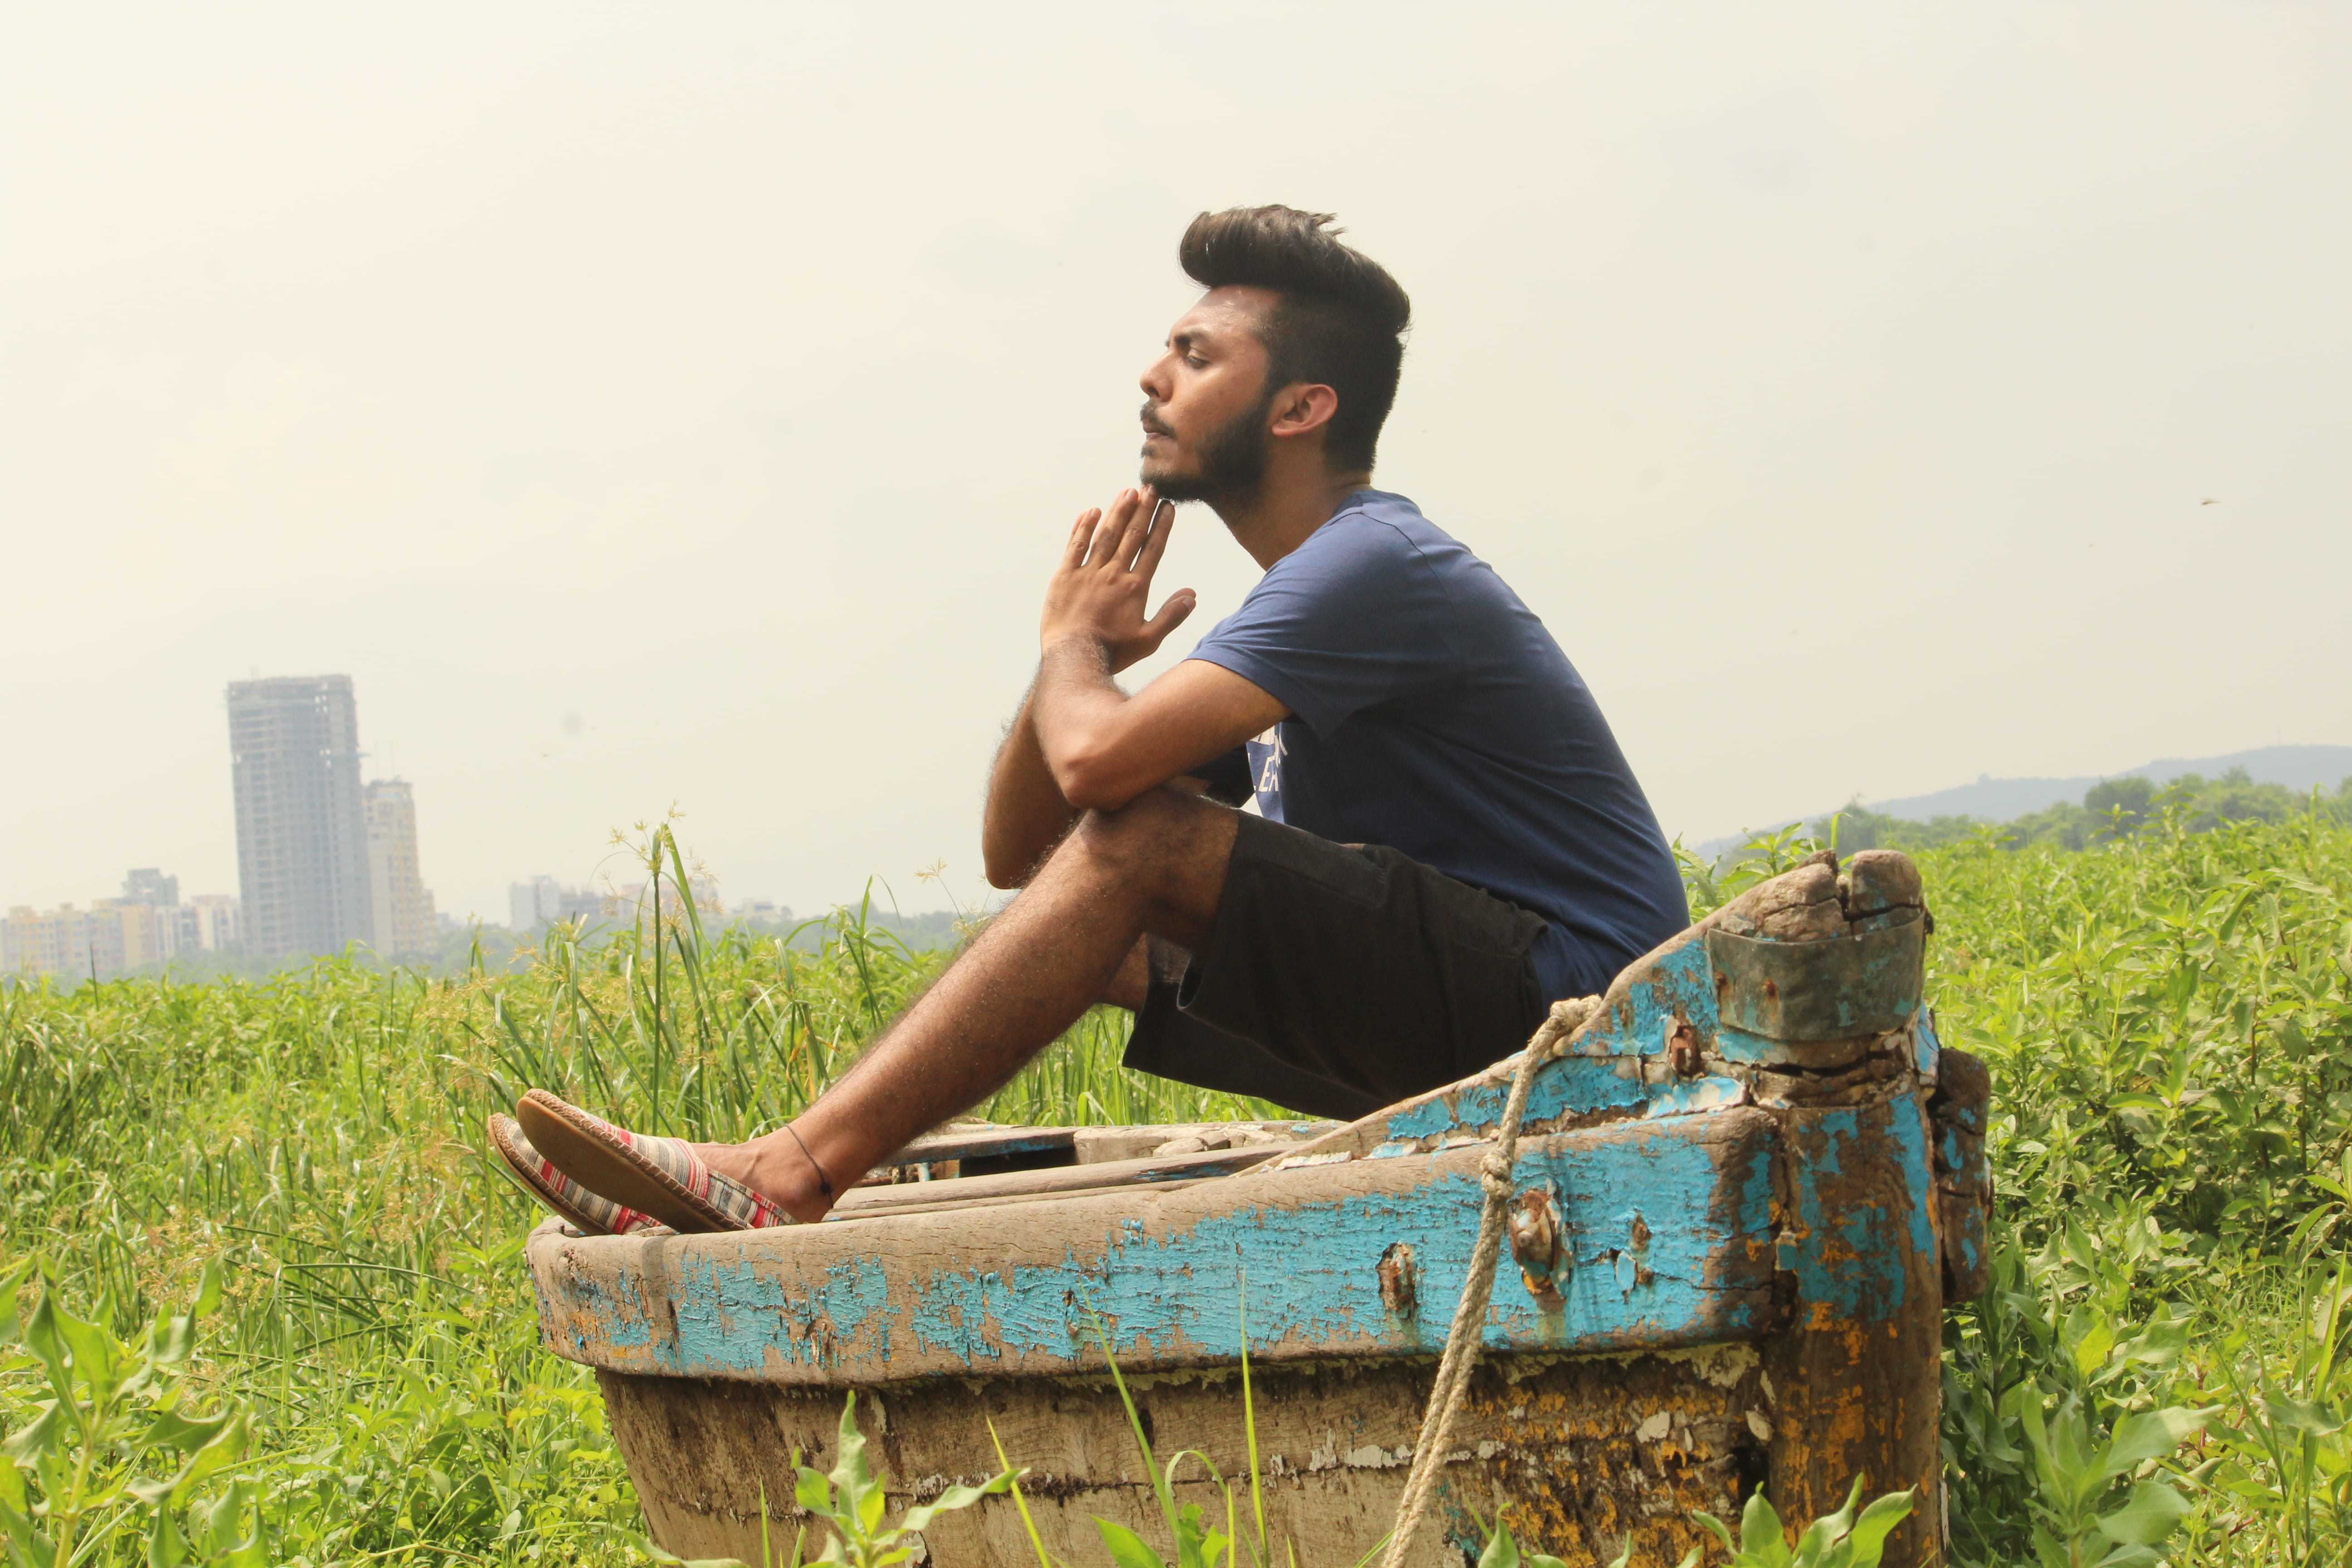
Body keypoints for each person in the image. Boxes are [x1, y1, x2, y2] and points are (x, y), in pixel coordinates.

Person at [501, 206, 1688, 1234]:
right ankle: (766, 1170)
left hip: (1591, 1023)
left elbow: (1103, 777)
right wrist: (1074, 663)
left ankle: (785, 1175)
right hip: (1485, 1018)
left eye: (1195, 355)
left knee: (1149, 839)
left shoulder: (1374, 564)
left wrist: (1069, 647)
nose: (1151, 378)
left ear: (1300, 407)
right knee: (1102, 912)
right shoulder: (1301, 609)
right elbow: (1027, 854)